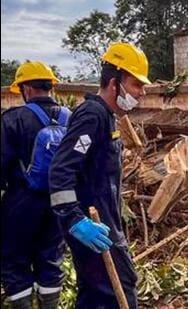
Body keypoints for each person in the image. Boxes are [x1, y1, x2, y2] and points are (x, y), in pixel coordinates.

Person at [48, 42, 151, 308]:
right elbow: (60, 171)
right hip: (93, 230)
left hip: (105, 226)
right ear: (114, 82)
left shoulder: (107, 116)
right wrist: (75, 221)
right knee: (117, 294)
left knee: (94, 298)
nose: (142, 93)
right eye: (136, 85)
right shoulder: (92, 116)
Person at [1, 61, 69, 309]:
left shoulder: (13, 119)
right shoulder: (70, 119)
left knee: (14, 259)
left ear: (26, 88)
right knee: (51, 257)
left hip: (21, 201)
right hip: (61, 201)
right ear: (50, 86)